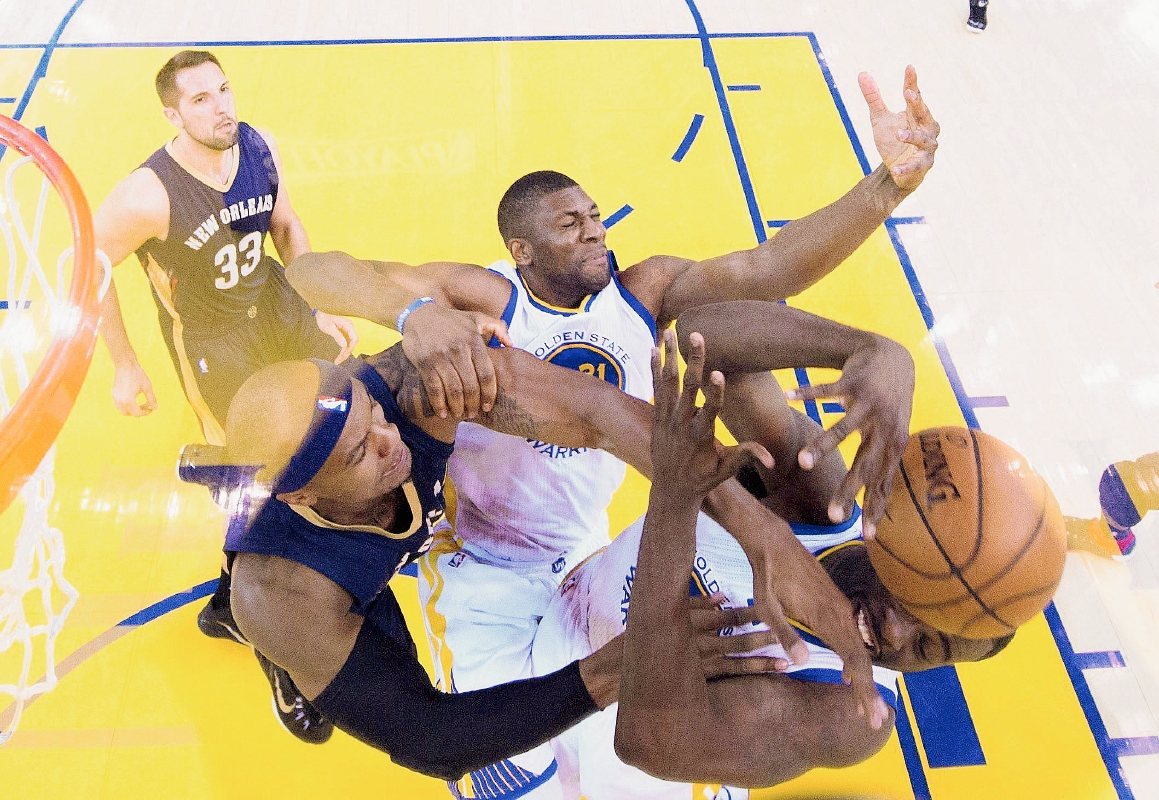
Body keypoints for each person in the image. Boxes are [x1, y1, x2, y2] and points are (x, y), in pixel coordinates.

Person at [285, 66, 939, 795]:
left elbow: (768, 264)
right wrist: (409, 315)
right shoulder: (484, 293)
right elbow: (313, 270)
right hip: (481, 562)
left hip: (578, 546)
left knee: (621, 732)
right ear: (522, 249)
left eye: (596, 214)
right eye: (570, 222)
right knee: (504, 766)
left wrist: (887, 186)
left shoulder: (644, 293)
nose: (595, 228)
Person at [209, 334, 815, 778]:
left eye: (375, 420)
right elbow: (430, 738)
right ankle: (275, 656)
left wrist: (743, 514)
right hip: (323, 584)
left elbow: (598, 415)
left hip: (354, 541)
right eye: (361, 454)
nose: (392, 445)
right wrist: (619, 667)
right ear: (306, 493)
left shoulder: (410, 389)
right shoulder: (287, 592)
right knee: (332, 652)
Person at [529, 322, 1017, 799]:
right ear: (905, 547)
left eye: (927, 651)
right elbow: (707, 337)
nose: (896, 636)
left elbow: (648, 740)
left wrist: (679, 496)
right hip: (552, 622)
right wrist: (868, 349)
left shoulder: (851, 714)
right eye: (920, 610)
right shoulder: (822, 496)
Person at [91, 49, 358, 740]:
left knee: (341, 417)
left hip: (275, 304)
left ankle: (230, 596)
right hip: (214, 344)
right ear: (172, 114)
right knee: (258, 483)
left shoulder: (256, 146)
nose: (221, 107)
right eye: (202, 100)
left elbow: (287, 227)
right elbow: (85, 266)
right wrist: (124, 364)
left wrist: (315, 300)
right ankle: (261, 632)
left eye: (224, 90)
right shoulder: (148, 193)